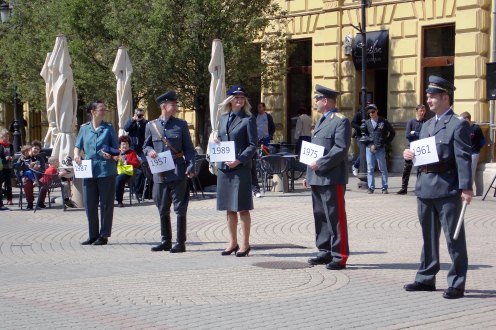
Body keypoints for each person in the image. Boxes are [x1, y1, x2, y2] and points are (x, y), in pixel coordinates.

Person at [403, 75, 472, 299]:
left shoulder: (457, 125)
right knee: (428, 237)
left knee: (454, 238)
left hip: (446, 188)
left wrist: (466, 187)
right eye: (428, 96)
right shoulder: (427, 125)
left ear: (445, 97)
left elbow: (462, 158)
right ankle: (426, 278)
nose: (429, 100)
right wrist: (409, 155)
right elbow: (421, 155)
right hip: (424, 188)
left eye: (433, 96)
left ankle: (457, 282)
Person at [303, 84, 351, 270]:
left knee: (335, 217)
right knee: (320, 215)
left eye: (317, 99)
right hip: (317, 177)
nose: (315, 102)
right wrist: (309, 174)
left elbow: (340, 149)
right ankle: (325, 251)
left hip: (332, 178)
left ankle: (340, 255)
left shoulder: (340, 121)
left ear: (325, 100)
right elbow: (314, 151)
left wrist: (320, 164)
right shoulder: (322, 121)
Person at [144, 91, 196, 253]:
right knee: (162, 206)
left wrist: (191, 165)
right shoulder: (151, 126)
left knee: (180, 207)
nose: (176, 107)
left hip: (178, 170)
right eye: (173, 105)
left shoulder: (180, 125)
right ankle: (165, 240)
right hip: (160, 172)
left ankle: (180, 242)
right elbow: (145, 146)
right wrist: (149, 151)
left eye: (175, 104)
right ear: (163, 106)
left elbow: (189, 148)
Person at [216, 85, 257, 257]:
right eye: (236, 97)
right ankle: (232, 242)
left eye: (242, 98)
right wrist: (216, 142)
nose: (239, 100)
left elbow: (253, 145)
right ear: (230, 100)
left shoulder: (248, 119)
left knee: (242, 208)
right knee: (228, 208)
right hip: (224, 169)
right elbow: (221, 138)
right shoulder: (223, 118)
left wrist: (239, 160)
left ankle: (245, 244)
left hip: (240, 168)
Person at [74, 101, 119, 246]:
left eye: (104, 109)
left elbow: (116, 149)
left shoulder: (108, 128)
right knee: (90, 204)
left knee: (106, 204)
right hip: (88, 170)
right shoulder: (84, 128)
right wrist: (76, 155)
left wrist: (110, 154)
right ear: (93, 111)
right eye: (101, 109)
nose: (104, 111)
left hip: (106, 170)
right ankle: (93, 235)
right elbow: (77, 145)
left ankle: (104, 235)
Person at [363, 104, 395, 194]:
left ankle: (384, 187)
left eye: (373, 112)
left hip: (380, 148)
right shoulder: (367, 122)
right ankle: (370, 188)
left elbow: (392, 132)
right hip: (369, 148)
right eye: (369, 112)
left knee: (383, 168)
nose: (371, 114)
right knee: (370, 169)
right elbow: (363, 134)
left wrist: (386, 141)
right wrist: (368, 140)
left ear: (377, 111)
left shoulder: (383, 121)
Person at [397, 104, 427, 195]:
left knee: (420, 169)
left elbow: (425, 135)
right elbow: (408, 135)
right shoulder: (411, 122)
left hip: (421, 148)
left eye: (424, 111)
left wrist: (415, 133)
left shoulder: (426, 122)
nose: (422, 113)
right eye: (421, 111)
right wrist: (417, 133)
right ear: (417, 111)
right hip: (411, 148)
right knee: (407, 168)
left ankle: (420, 188)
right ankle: (404, 187)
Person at [251, 102, 275, 197]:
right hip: (256, 139)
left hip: (265, 139)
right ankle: (257, 171)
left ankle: (266, 172)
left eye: (260, 107)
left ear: (264, 108)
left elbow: (272, 127)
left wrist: (270, 135)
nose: (259, 109)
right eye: (258, 107)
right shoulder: (255, 116)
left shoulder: (268, 116)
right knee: (255, 156)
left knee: (265, 155)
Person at [459, 111, 485, 193]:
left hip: (474, 153)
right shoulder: (463, 128)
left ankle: (470, 190)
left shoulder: (476, 128)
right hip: (465, 153)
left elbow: (482, 142)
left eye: (462, 120)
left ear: (467, 119)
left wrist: (477, 149)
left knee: (471, 172)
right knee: (466, 172)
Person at [123, 108, 147, 196]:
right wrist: (133, 120)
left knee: (143, 169)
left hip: (142, 150)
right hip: (132, 149)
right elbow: (126, 128)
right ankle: (133, 190)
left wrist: (142, 121)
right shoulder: (132, 122)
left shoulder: (145, 123)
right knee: (134, 170)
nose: (140, 116)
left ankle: (140, 191)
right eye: (139, 115)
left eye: (142, 115)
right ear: (135, 114)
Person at [16, 140, 46, 210]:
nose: (36, 150)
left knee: (45, 180)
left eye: (38, 149)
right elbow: (18, 168)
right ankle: (30, 203)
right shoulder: (23, 157)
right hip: (26, 176)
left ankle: (40, 202)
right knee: (27, 182)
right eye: (35, 148)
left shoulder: (40, 158)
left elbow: (43, 170)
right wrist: (29, 167)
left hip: (38, 176)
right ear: (31, 148)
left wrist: (38, 169)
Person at [114, 135, 141, 208]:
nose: (124, 146)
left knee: (119, 179)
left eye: (126, 144)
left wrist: (127, 161)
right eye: (123, 144)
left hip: (127, 172)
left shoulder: (132, 153)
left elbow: (136, 164)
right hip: (116, 172)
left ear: (129, 145)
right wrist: (115, 159)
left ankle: (119, 200)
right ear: (120, 145)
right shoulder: (116, 152)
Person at [0, 129, 14, 205]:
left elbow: (12, 153)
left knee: (9, 184)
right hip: (1, 167)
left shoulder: (10, 145)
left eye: (8, 136)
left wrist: (11, 157)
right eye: (5, 136)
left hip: (8, 167)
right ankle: (1, 201)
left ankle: (9, 199)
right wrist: (4, 158)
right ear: (2, 137)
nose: (7, 137)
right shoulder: (0, 145)